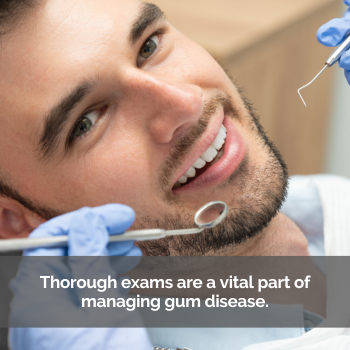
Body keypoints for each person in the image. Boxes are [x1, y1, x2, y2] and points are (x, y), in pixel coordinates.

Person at [1, 0, 350, 348]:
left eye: (149, 46)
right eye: (86, 122)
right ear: (12, 221)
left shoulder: (333, 202)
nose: (186, 102)